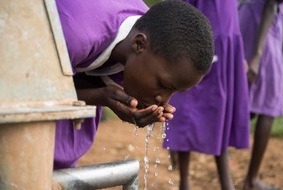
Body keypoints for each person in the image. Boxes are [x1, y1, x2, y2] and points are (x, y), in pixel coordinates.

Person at [53, 0, 214, 169]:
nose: (163, 99)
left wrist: (105, 96)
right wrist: (99, 96)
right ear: (139, 45)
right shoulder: (73, 37)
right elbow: (30, 92)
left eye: (175, 92)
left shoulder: (154, 31)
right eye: (163, 84)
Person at [162, 0, 250, 190]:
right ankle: (184, 181)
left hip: (227, 39)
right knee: (186, 102)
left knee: (220, 107)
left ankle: (225, 181)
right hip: (198, 37)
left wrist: (237, 55)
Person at [238, 0, 283, 189]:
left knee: (247, 99)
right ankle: (251, 180)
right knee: (269, 105)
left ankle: (182, 142)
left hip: (248, 23)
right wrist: (258, 55)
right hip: (264, 33)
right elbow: (271, 4)